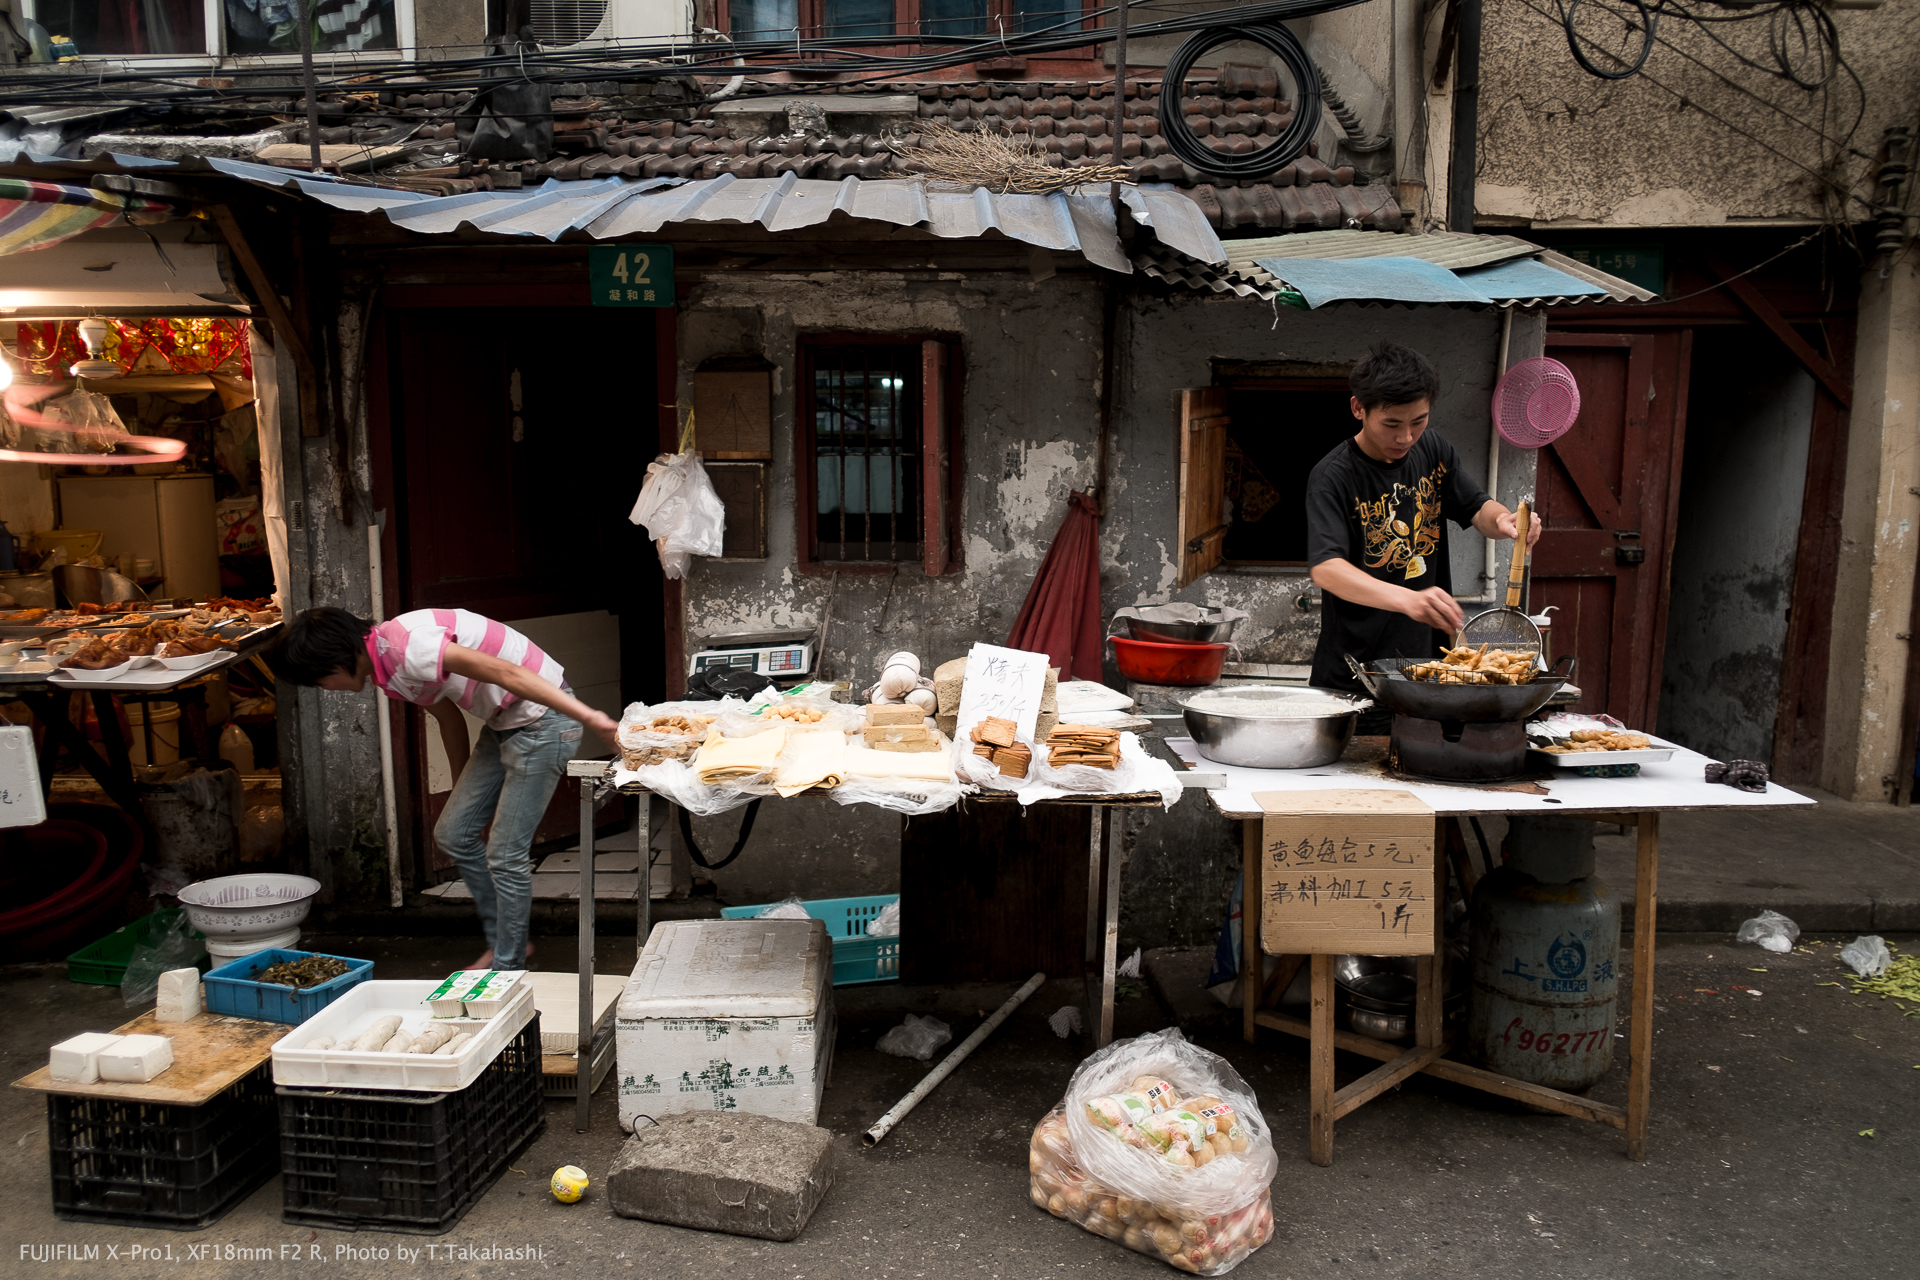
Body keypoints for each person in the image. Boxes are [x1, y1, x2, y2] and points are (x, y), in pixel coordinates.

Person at [269, 607, 621, 969]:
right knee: (455, 832)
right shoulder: (386, 671)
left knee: (505, 854)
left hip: (543, 721)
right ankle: (505, 941)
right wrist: (462, 793)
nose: (324, 689)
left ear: (334, 660)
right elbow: (449, 719)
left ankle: (508, 963)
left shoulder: (410, 648)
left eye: (318, 680)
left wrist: (590, 717)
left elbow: (507, 672)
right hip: (503, 723)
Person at [1305, 342, 1543, 734]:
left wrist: (1504, 520)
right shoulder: (1333, 477)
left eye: (1419, 421)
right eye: (1392, 424)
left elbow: (1476, 507)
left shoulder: (1432, 449)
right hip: (1356, 679)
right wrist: (1409, 599)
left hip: (1428, 675)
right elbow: (1327, 570)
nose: (1407, 437)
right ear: (1358, 409)